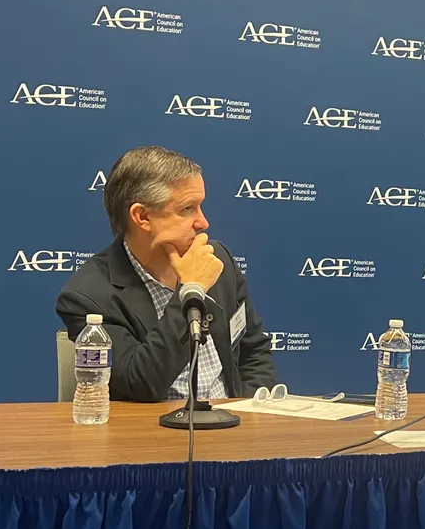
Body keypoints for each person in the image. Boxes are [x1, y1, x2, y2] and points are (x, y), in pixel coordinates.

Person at [56, 145, 275, 402]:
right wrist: (191, 288)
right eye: (187, 209)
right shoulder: (87, 296)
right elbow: (142, 383)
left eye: (200, 206)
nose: (203, 223)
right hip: (154, 433)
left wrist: (247, 413)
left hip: (230, 424)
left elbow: (253, 350)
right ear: (142, 216)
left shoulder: (217, 260)